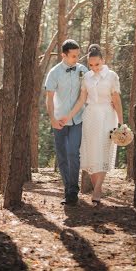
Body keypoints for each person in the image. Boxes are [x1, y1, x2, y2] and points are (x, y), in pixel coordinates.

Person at [60, 43, 123, 205]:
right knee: (92, 153)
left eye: (97, 64)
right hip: (90, 117)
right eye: (91, 65)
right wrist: (68, 116)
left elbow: (116, 101)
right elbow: (82, 100)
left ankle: (96, 190)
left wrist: (122, 124)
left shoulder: (112, 76)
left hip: (108, 117)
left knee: (102, 151)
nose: (94, 67)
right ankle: (98, 188)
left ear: (103, 60)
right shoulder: (86, 77)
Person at [44, 39, 88, 205]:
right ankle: (68, 189)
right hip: (59, 121)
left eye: (78, 55)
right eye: (73, 56)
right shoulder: (54, 73)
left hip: (76, 119)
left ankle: (73, 191)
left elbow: (84, 97)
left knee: (72, 153)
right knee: (62, 156)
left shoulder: (83, 70)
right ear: (64, 55)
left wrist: (70, 116)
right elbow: (48, 99)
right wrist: (53, 120)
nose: (77, 59)